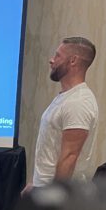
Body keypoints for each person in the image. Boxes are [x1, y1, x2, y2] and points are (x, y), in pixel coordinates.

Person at [26, 36, 98, 191]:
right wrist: (36, 185)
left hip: (63, 198)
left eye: (58, 55)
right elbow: (51, 149)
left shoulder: (78, 102)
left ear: (73, 61)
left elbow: (69, 157)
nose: (51, 60)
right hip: (44, 190)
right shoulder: (66, 97)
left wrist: (54, 199)